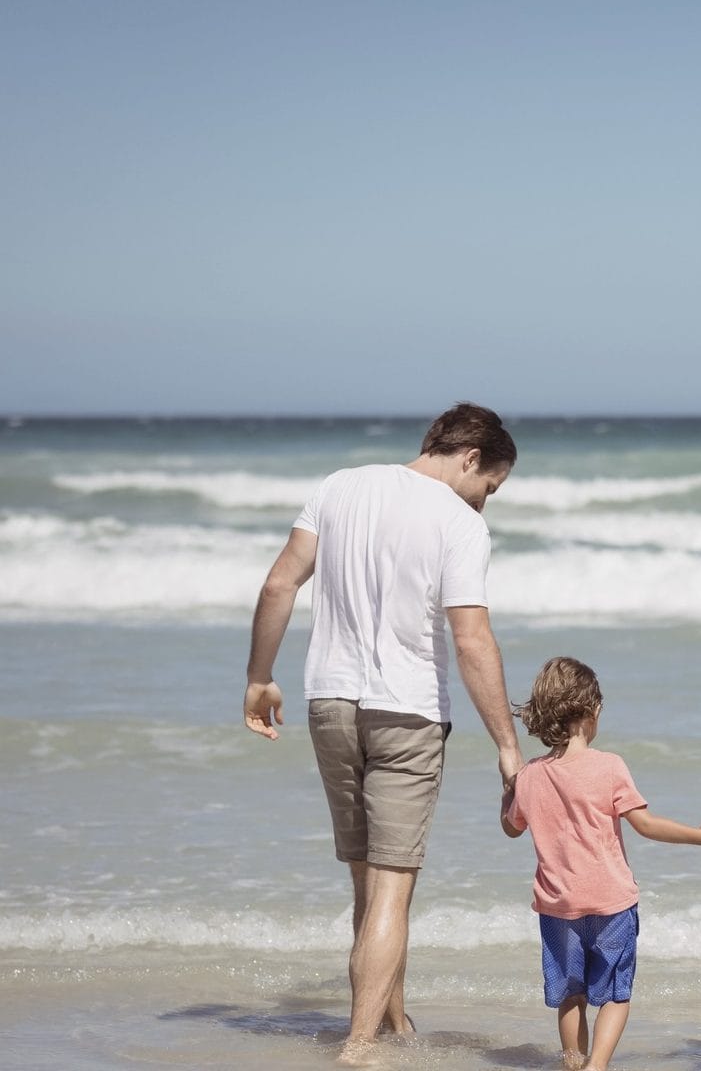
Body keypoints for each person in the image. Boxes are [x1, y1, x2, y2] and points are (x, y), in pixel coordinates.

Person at [242, 402, 526, 1065]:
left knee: (368, 884)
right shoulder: (458, 521)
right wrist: (509, 747)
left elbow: (281, 580)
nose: (487, 501)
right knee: (393, 886)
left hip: (330, 704)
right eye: (492, 487)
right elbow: (470, 637)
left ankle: (393, 1019)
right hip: (408, 712)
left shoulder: (338, 486)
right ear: (471, 458)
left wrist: (259, 677)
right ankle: (361, 1044)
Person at [501, 656, 701, 1071]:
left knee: (570, 995)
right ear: (593, 711)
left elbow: (511, 827)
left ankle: (574, 1063)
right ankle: (598, 1066)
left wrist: (508, 785)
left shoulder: (530, 776)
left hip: (558, 908)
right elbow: (647, 825)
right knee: (617, 993)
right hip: (612, 903)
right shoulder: (609, 766)